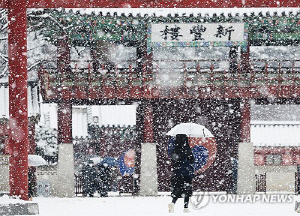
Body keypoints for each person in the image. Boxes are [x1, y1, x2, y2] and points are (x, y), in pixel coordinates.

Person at [168, 134, 195, 213]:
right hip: (186, 173)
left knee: (177, 189)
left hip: (177, 173)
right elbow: (192, 161)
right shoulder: (187, 149)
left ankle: (173, 203)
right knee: (187, 190)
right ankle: (185, 207)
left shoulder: (175, 150)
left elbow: (173, 161)